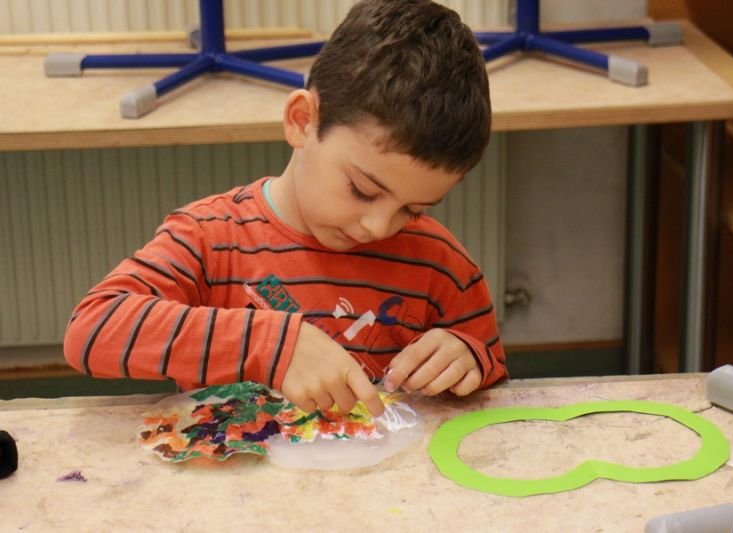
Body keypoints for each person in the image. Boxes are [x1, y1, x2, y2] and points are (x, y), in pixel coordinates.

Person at [63, 0, 507, 417]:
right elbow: (92, 329)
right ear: (302, 121)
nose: (377, 226)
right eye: (362, 190)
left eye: (412, 209)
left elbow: (491, 380)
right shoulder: (211, 236)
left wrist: (469, 358)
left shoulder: (441, 265)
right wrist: (272, 344)